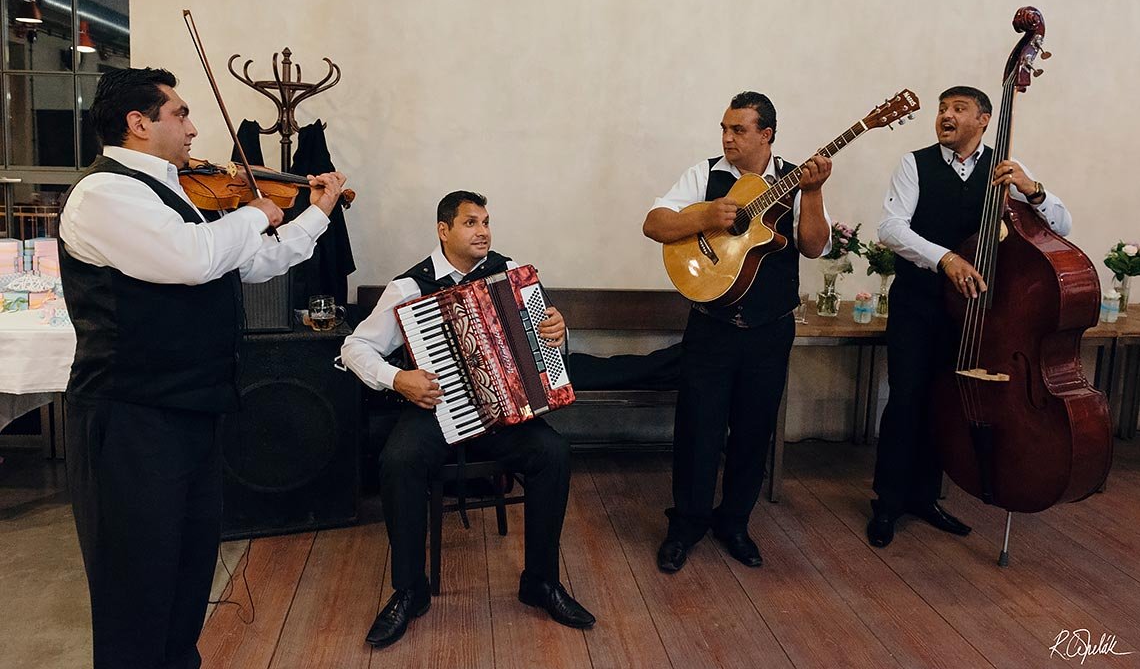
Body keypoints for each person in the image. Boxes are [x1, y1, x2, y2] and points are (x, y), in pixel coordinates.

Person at [59, 67, 346, 669]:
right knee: (135, 591)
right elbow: (192, 259)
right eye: (180, 114)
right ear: (139, 123)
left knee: (185, 581)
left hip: (190, 412)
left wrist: (315, 212)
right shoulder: (103, 194)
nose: (193, 128)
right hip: (130, 417)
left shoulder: (175, 194)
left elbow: (255, 264)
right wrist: (257, 211)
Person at [340, 190, 595, 649]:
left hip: (504, 412)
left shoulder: (512, 273)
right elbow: (353, 348)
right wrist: (399, 378)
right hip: (437, 410)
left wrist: (559, 330)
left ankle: (540, 581)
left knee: (553, 452)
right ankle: (409, 591)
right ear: (444, 230)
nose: (483, 232)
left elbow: (546, 345)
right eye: (470, 223)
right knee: (399, 461)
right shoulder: (411, 286)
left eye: (486, 222)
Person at [868, 85, 1073, 547]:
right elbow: (890, 228)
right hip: (918, 305)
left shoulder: (1004, 170)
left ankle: (925, 496)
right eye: (942, 109)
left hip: (978, 315)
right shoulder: (913, 164)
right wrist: (946, 259)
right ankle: (888, 502)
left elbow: (1061, 228)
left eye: (958, 109)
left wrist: (1033, 191)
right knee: (906, 401)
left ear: (984, 120)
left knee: (948, 401)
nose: (945, 115)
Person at [642, 91, 832, 573]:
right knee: (697, 430)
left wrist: (813, 192)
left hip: (769, 330)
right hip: (712, 328)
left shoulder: (794, 180)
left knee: (753, 430)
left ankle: (735, 523)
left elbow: (813, 246)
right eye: (724, 129)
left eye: (738, 130)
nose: (727, 138)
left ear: (766, 135)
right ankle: (685, 525)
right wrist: (705, 214)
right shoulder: (704, 175)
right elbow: (655, 223)